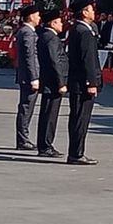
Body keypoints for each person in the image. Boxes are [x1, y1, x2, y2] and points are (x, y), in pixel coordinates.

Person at [67, 0, 101, 165]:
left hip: (75, 81)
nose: (94, 12)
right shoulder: (85, 32)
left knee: (76, 116)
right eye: (91, 9)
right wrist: (92, 82)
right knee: (81, 118)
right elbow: (88, 60)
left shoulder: (76, 29)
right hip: (82, 83)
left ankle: (75, 151)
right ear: (84, 12)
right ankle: (77, 153)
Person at [36, 10, 68, 157]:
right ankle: (46, 146)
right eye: (59, 21)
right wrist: (61, 82)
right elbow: (54, 61)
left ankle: (44, 144)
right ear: (53, 23)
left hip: (49, 81)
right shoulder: (51, 38)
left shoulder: (45, 36)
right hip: (52, 82)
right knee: (49, 115)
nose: (62, 24)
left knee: (47, 114)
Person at [15, 4, 41, 151]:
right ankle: (23, 139)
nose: (39, 18)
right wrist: (34, 77)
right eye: (37, 15)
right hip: (29, 76)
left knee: (26, 107)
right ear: (31, 16)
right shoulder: (28, 32)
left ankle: (22, 138)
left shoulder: (24, 31)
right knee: (26, 108)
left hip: (26, 75)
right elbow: (29, 56)